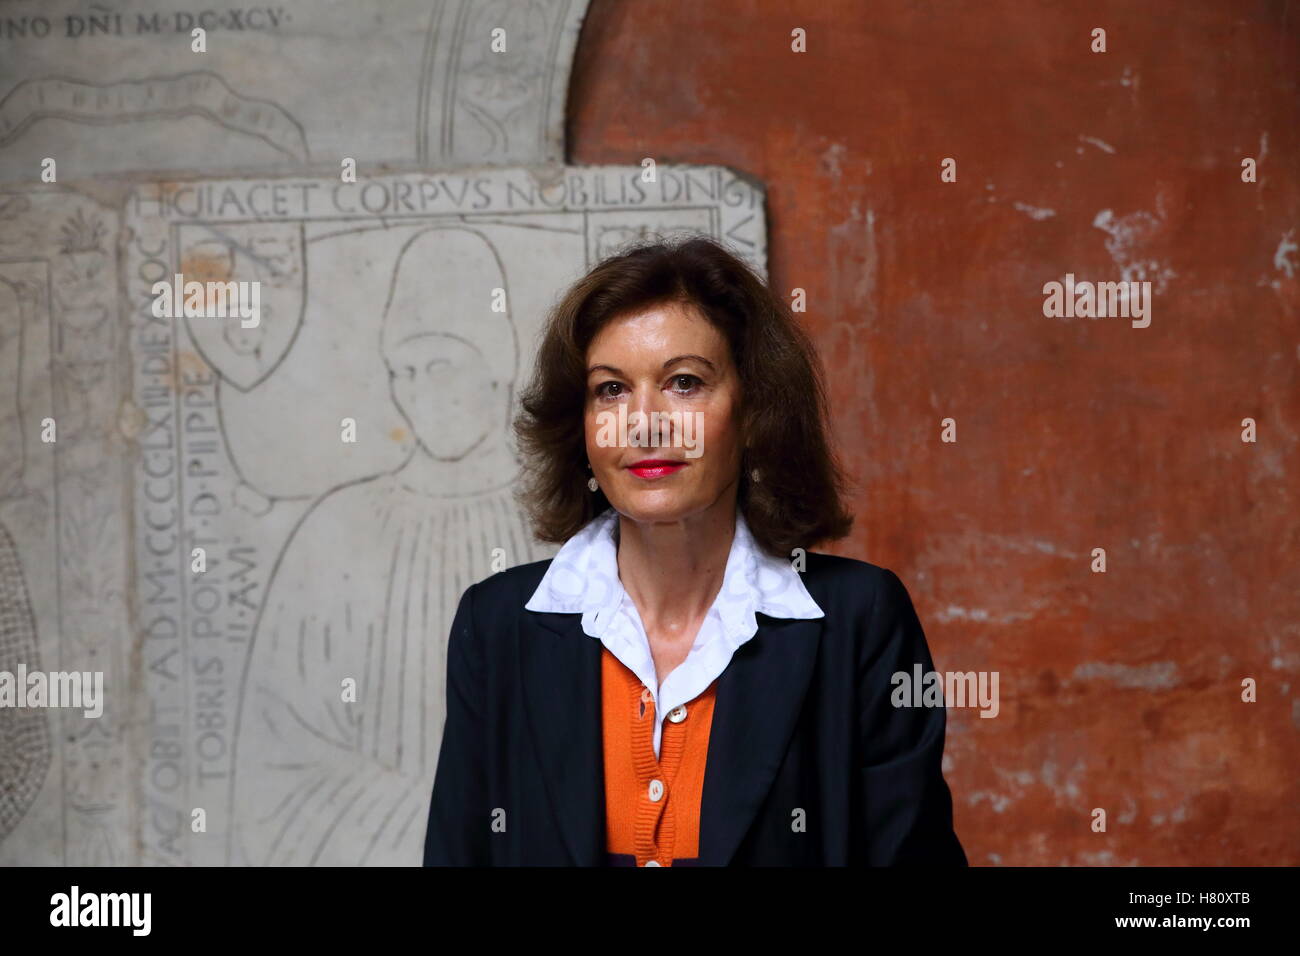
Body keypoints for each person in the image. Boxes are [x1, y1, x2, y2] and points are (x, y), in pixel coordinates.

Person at [424, 235, 966, 866]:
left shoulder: (860, 620)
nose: (645, 422)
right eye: (610, 390)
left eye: (684, 383)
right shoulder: (497, 625)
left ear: (754, 412)